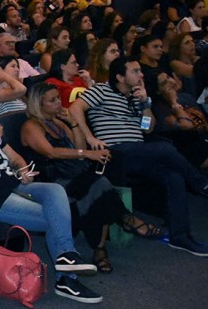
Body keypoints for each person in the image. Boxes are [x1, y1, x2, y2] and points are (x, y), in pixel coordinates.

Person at [0, 98, 101, 303]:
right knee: (54, 220)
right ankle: (67, 278)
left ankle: (67, 257)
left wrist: (22, 171)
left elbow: (16, 158)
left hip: (15, 186)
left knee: (55, 190)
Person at [69, 57, 208, 256]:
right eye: (135, 71)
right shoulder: (101, 90)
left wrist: (145, 103)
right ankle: (202, 184)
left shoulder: (136, 97)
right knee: (164, 148)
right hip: (115, 153)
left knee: (174, 176)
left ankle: (180, 237)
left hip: (137, 152)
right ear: (120, 76)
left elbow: (148, 128)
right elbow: (74, 108)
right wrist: (89, 137)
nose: (141, 74)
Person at [21, 84, 155, 273]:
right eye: (53, 100)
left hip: (72, 173)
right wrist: (87, 154)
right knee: (98, 184)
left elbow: (79, 147)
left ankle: (103, 246)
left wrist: (74, 124)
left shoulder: (57, 123)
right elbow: (51, 153)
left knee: (98, 187)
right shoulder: (31, 126)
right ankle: (121, 225)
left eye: (59, 98)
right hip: (52, 180)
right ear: (38, 104)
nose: (59, 102)